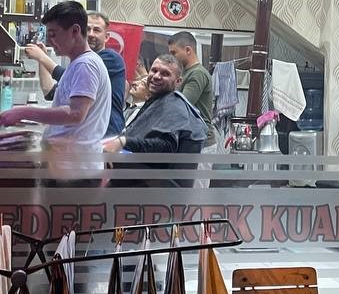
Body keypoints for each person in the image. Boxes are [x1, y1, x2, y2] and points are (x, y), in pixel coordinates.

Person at [0, 1, 110, 172]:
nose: (49, 41)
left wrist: (23, 112)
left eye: (53, 34)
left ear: (75, 31)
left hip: (75, 170)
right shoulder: (78, 63)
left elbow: (75, 114)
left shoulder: (86, 65)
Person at [102, 55, 206, 187]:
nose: (156, 76)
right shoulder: (159, 100)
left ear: (178, 81)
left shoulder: (174, 106)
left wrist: (124, 142)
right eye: (154, 70)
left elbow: (165, 148)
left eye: (165, 74)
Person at [24, 10, 125, 135]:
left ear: (107, 36)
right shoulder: (80, 61)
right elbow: (49, 92)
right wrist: (41, 59)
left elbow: (69, 77)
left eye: (97, 30)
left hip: (106, 135)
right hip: (84, 135)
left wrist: (42, 57)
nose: (91, 34)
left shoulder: (108, 58)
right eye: (87, 29)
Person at [167, 30, 215, 147]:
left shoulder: (197, 73)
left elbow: (182, 105)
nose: (171, 58)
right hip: (191, 138)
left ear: (188, 50)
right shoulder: (185, 72)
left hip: (201, 140)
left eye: (174, 53)